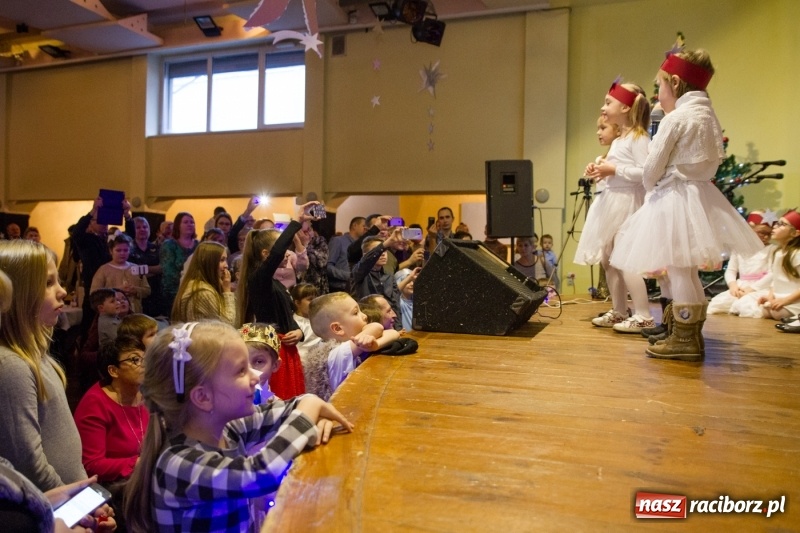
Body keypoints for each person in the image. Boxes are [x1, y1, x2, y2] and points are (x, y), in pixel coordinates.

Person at [123, 321, 353, 533]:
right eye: (241, 370)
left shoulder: (227, 430)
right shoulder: (178, 462)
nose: (254, 377)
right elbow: (260, 474)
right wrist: (309, 410)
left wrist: (312, 411)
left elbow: (290, 408)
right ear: (203, 397)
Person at [610, 48, 763, 360]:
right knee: (687, 272)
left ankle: (684, 340)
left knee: (679, 272)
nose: (659, 93)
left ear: (676, 83)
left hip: (674, 196)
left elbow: (653, 167)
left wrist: (653, 187)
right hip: (698, 195)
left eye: (660, 85)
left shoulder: (676, 118)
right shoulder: (708, 115)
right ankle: (691, 335)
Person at [0, 241, 87, 491]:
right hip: (52, 510)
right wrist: (74, 504)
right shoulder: (11, 365)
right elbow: (28, 462)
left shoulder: (39, 358)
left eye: (58, 281)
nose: (62, 291)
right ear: (17, 295)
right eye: (49, 283)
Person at [575, 80, 655, 334]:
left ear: (625, 108)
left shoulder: (639, 138)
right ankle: (620, 309)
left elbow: (646, 173)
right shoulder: (620, 140)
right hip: (612, 202)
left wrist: (614, 169)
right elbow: (616, 172)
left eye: (608, 102)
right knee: (609, 260)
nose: (603, 106)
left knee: (625, 260)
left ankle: (643, 314)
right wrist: (601, 170)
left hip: (628, 204)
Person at [237, 202, 321, 399]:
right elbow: (277, 253)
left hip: (288, 350)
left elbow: (287, 318)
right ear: (266, 255)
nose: (286, 253)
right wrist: (296, 222)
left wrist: (298, 332)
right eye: (282, 248)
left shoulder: (276, 283)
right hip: (275, 351)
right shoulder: (258, 279)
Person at [74, 335, 149, 528]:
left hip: (142, 478)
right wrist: (137, 463)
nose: (143, 364)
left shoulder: (146, 394)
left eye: (144, 357)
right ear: (113, 371)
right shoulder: (95, 403)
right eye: (134, 360)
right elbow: (92, 465)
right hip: (114, 489)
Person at [305, 292, 400, 400]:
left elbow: (394, 333)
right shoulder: (335, 354)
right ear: (338, 329)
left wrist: (376, 345)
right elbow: (377, 327)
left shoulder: (352, 346)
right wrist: (368, 334)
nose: (364, 316)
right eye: (356, 313)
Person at [707, 212, 774, 317]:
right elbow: (731, 270)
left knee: (745, 306)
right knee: (716, 304)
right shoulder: (739, 249)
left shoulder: (772, 250)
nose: (766, 236)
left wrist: (752, 289)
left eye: (769, 234)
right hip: (740, 287)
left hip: (761, 288)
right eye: (762, 232)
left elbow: (772, 273)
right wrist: (733, 285)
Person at [350, 229, 419, 331]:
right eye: (379, 251)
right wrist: (386, 244)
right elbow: (364, 263)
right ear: (366, 255)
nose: (383, 254)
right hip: (367, 329)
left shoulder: (388, 276)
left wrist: (398, 329)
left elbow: (395, 305)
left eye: (385, 251)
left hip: (389, 329)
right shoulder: (359, 273)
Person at [752, 210, 800, 323]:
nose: (775, 227)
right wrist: (770, 296)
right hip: (780, 297)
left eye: (781, 224)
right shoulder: (778, 253)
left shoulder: (797, 254)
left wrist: (786, 300)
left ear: (795, 233)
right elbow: (776, 279)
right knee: (766, 310)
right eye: (777, 223)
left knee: (777, 313)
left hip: (794, 300)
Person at [592, 115, 622, 300]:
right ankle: (616, 306)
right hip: (604, 209)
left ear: (617, 130)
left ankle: (633, 309)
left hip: (619, 210)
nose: (598, 132)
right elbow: (600, 185)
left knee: (619, 261)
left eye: (603, 128)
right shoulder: (601, 158)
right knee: (606, 260)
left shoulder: (621, 155)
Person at [172, 241, 236, 325]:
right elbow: (228, 324)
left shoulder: (197, 285)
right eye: (222, 260)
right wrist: (227, 291)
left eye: (225, 260)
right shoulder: (203, 292)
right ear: (208, 262)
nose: (226, 265)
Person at [91, 232, 151, 314]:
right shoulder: (103, 269)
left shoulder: (136, 268)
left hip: (135, 312)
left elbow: (147, 290)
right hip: (113, 314)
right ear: (111, 251)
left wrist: (135, 290)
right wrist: (116, 290)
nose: (122, 253)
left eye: (125, 250)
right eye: (118, 250)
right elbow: (94, 293)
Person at [160, 212, 198, 316]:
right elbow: (168, 271)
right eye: (185, 222)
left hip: (195, 291)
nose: (190, 224)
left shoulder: (199, 245)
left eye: (192, 222)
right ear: (178, 225)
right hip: (173, 292)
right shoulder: (169, 245)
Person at [126, 216, 163, 318]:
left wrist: (142, 269)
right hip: (138, 294)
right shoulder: (129, 250)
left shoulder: (156, 248)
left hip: (156, 293)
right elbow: (132, 271)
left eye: (145, 227)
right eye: (138, 227)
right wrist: (153, 270)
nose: (142, 229)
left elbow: (162, 268)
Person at [239, 322, 282, 404]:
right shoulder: (225, 406)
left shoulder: (281, 409)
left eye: (259, 362)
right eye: (242, 361)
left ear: (275, 365)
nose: (249, 369)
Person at [291, 282, 322, 365]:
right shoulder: (293, 323)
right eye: (310, 299)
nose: (315, 302)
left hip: (321, 360)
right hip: (303, 364)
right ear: (297, 303)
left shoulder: (321, 318)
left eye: (316, 298)